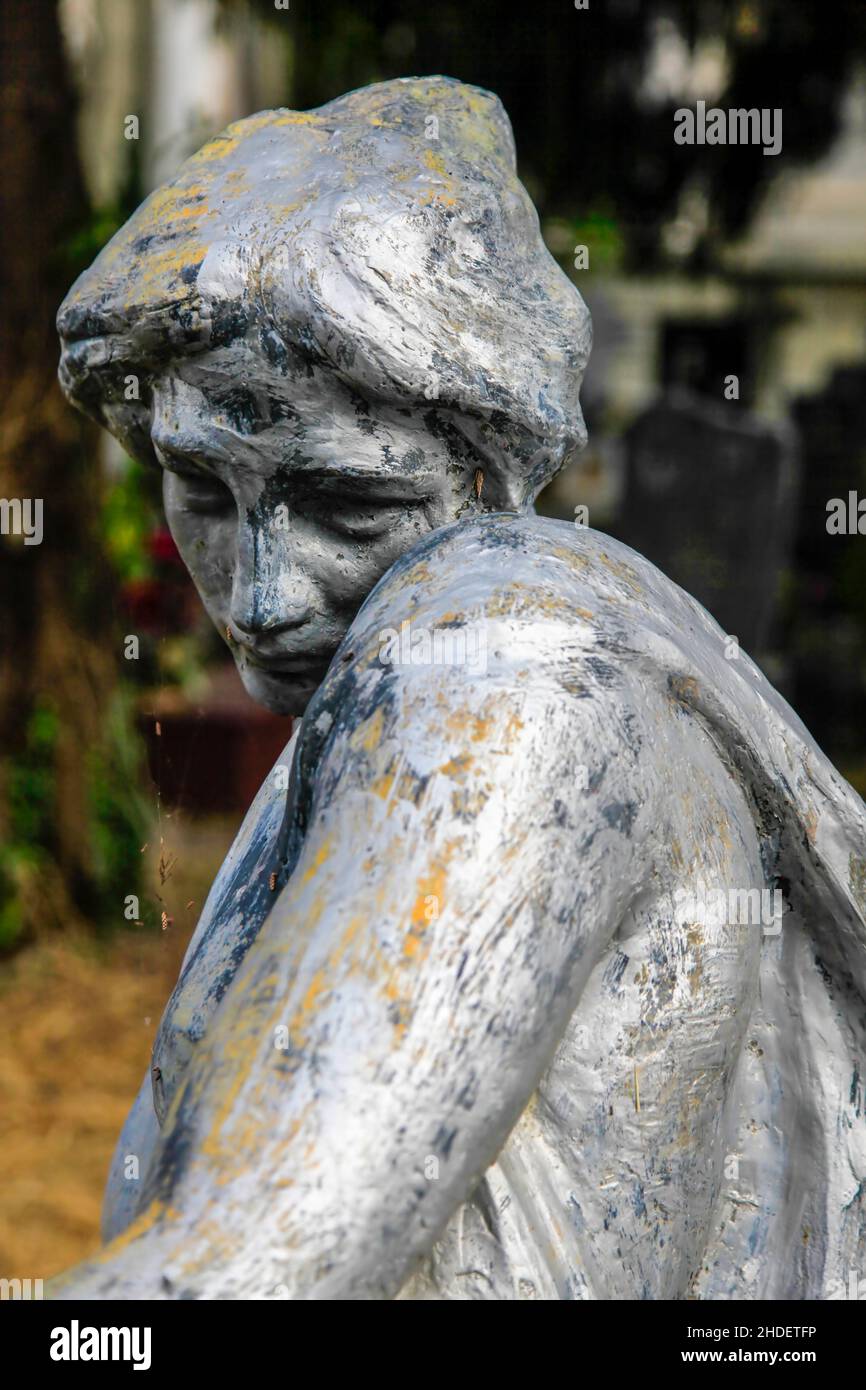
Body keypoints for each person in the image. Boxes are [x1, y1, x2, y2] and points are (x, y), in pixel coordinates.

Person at [53, 77, 866, 1300]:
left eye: (348, 504)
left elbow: (251, 1271)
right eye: (204, 494)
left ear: (492, 471)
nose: (264, 596)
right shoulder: (391, 696)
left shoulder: (502, 650)